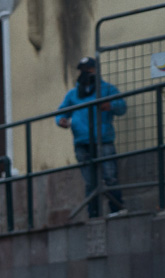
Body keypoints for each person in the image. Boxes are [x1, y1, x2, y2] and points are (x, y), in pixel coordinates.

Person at [58, 56, 127, 218]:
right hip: (82, 142)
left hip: (103, 140)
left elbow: (122, 107)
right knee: (90, 182)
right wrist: (60, 121)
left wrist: (110, 105)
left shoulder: (108, 89)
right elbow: (61, 112)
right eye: (83, 70)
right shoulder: (73, 94)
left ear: (96, 70)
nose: (85, 73)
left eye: (89, 70)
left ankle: (117, 209)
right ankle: (93, 214)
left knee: (110, 177)